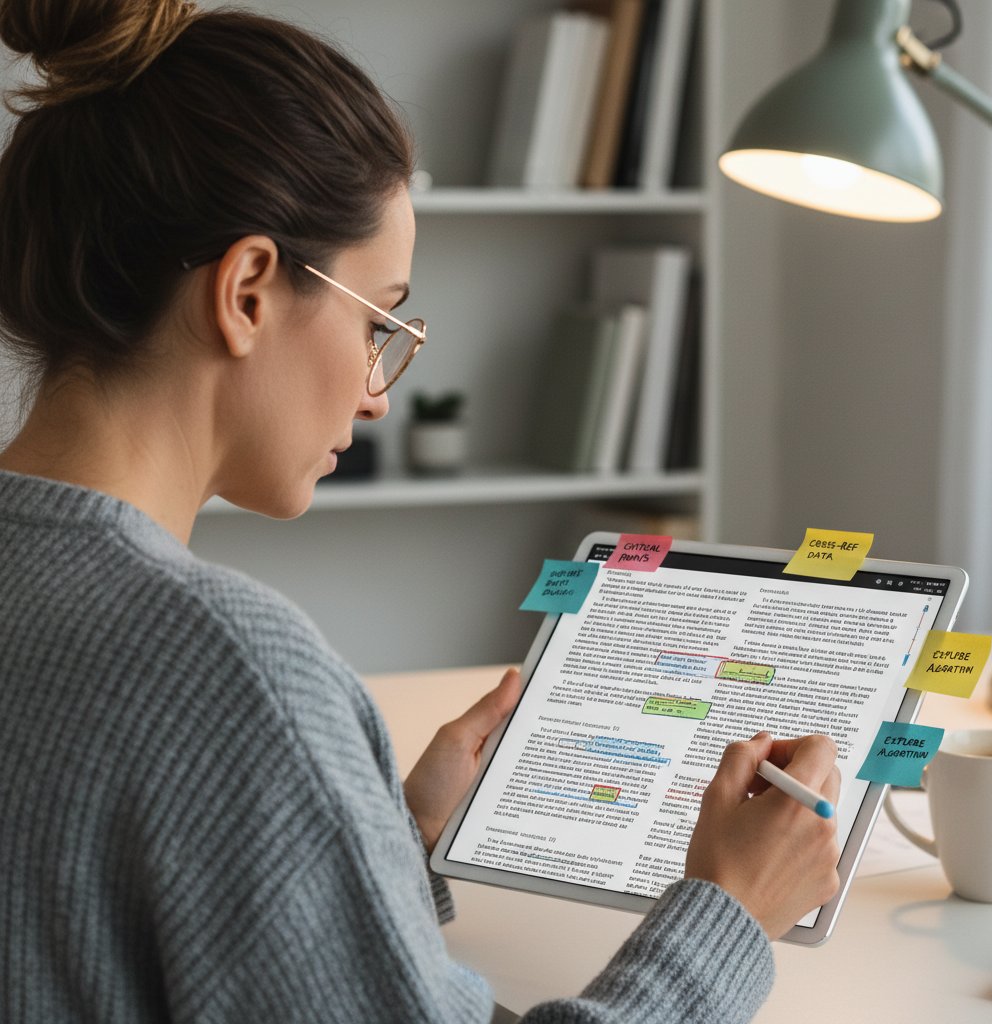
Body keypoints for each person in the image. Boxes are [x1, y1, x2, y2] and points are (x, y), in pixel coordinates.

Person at [0, 1, 841, 1021]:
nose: (378, 395)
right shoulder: (231, 667)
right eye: (377, 322)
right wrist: (729, 912)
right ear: (248, 291)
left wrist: (378, 837)